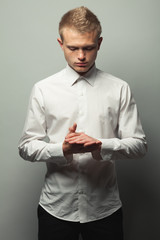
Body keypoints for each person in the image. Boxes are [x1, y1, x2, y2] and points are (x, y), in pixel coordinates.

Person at [18, 6, 147, 240]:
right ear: (60, 44)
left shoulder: (119, 88)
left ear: (99, 43)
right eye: (73, 48)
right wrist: (62, 149)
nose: (81, 56)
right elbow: (26, 147)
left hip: (104, 210)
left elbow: (139, 145)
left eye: (88, 48)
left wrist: (101, 145)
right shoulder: (43, 89)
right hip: (55, 208)